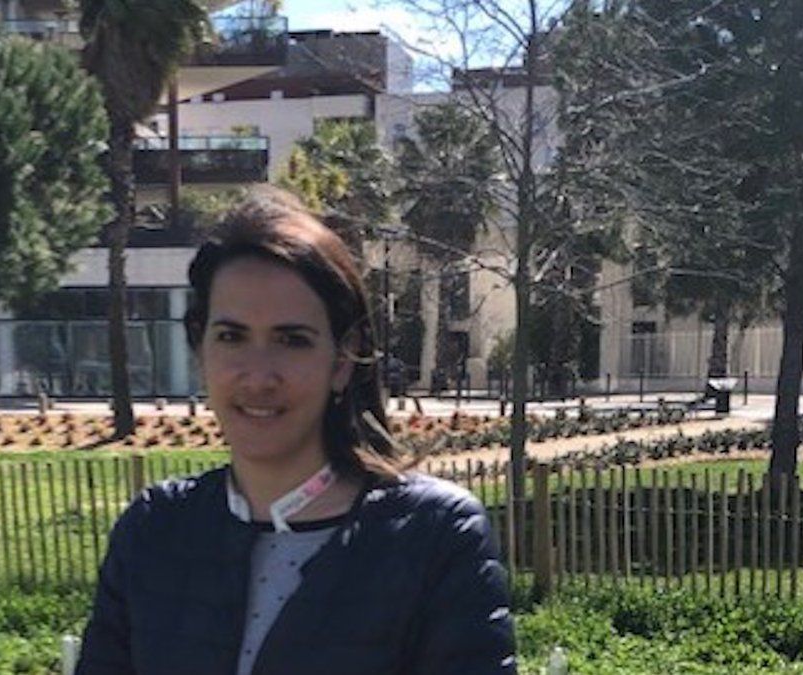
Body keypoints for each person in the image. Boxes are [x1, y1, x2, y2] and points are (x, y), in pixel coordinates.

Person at [76, 187, 517, 674]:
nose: (258, 376)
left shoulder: (433, 537)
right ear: (200, 348)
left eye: (292, 340)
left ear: (343, 359)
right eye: (232, 336)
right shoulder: (153, 532)